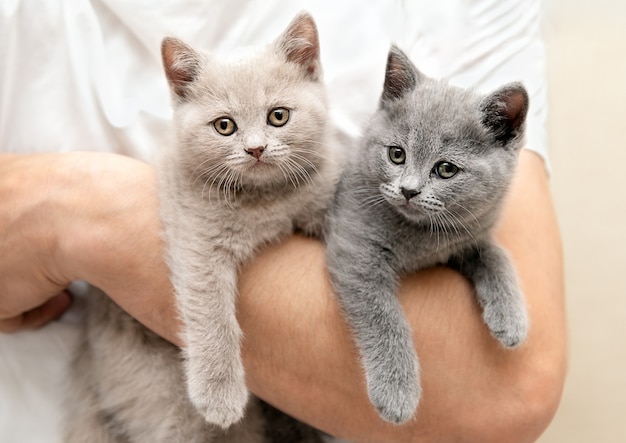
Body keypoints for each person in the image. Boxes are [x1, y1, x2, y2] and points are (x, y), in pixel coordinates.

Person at [0, 1, 566, 442]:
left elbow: (513, 391)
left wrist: (75, 215)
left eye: (276, 117)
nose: (254, 144)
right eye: (226, 127)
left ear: (310, 66)